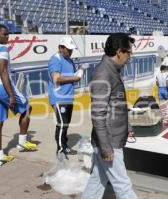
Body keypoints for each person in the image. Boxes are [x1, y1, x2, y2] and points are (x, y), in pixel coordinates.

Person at [81, 33, 137, 199]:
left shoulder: (111, 70)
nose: (129, 58)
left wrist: (128, 127)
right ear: (119, 52)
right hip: (109, 140)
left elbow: (116, 104)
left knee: (98, 179)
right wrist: (106, 147)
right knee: (122, 184)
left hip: (112, 136)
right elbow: (98, 115)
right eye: (129, 53)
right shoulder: (103, 74)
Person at [0, 24, 37, 166]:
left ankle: (0, 156)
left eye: (8, 34)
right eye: (4, 34)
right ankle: (22, 143)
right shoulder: (2, 48)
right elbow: (3, 72)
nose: (8, 37)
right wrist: (11, 95)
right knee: (27, 108)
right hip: (3, 88)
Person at [48, 36, 88, 159]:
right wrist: (76, 77)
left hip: (69, 97)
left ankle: (64, 146)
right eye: (68, 49)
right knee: (62, 125)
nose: (71, 52)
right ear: (61, 47)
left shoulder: (70, 61)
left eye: (71, 50)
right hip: (59, 98)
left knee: (66, 124)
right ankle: (60, 151)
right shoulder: (55, 59)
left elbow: (74, 77)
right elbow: (57, 78)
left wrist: (80, 70)